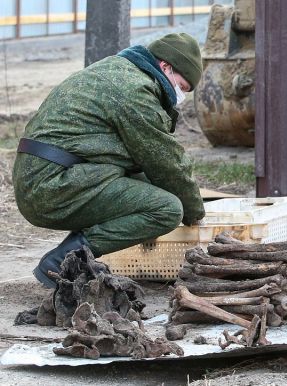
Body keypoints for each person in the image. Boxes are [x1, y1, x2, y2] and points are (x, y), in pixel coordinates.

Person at [13, 33, 206, 288]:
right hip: (50, 184)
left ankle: (72, 256)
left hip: (47, 173)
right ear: (165, 67)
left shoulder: (119, 71)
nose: (180, 94)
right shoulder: (134, 90)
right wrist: (195, 214)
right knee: (167, 209)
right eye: (181, 86)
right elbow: (166, 160)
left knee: (152, 186)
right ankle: (63, 260)